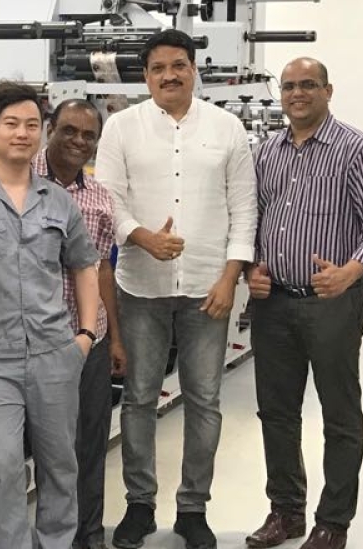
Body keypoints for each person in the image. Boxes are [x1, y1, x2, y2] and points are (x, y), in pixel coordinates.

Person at [0, 98, 124, 549]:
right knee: (2, 468)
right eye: (11, 124)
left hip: (55, 352)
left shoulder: (57, 199)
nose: (22, 132)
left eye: (30, 125)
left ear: (40, 132)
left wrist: (86, 335)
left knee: (60, 466)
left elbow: (86, 264)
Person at [94, 28, 257, 549]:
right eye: (159, 67)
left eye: (179, 65)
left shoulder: (228, 128)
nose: (170, 75)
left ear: (193, 70)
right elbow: (109, 200)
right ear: (145, 76)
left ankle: (193, 509)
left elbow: (245, 210)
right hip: (141, 286)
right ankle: (139, 505)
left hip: (208, 286)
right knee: (140, 398)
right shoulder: (121, 128)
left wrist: (231, 277)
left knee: (205, 400)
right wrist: (141, 237)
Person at [243, 58, 363, 549]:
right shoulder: (267, 152)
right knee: (277, 412)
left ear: (328, 90)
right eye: (288, 87)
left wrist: (350, 272)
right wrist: (253, 268)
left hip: (332, 303)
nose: (296, 94)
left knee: (339, 414)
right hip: (274, 304)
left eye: (308, 85)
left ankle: (333, 522)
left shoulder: (359, 151)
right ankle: (286, 512)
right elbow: (255, 220)